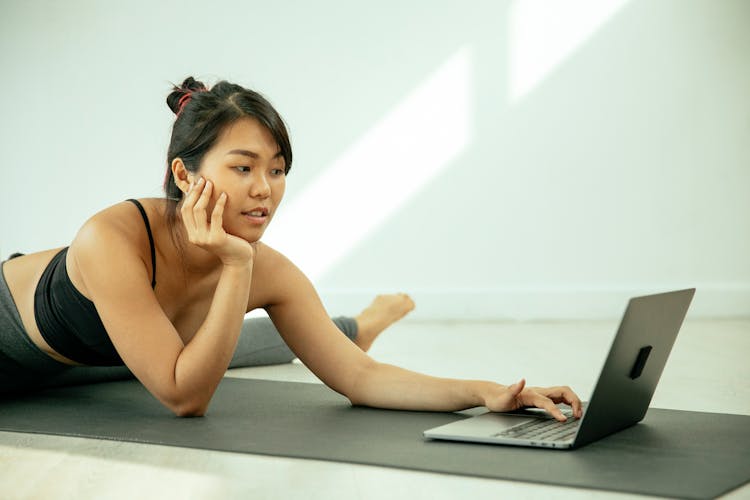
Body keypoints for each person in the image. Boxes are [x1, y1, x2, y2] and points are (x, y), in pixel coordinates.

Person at [0, 76, 582, 420]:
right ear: (184, 175)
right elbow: (185, 396)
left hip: (72, 367)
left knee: (216, 344)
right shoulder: (113, 240)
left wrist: (487, 392)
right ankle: (359, 320)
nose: (264, 189)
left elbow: (360, 379)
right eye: (243, 167)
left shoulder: (265, 267)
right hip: (11, 351)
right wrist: (235, 264)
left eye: (277, 170)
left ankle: (357, 326)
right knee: (240, 347)